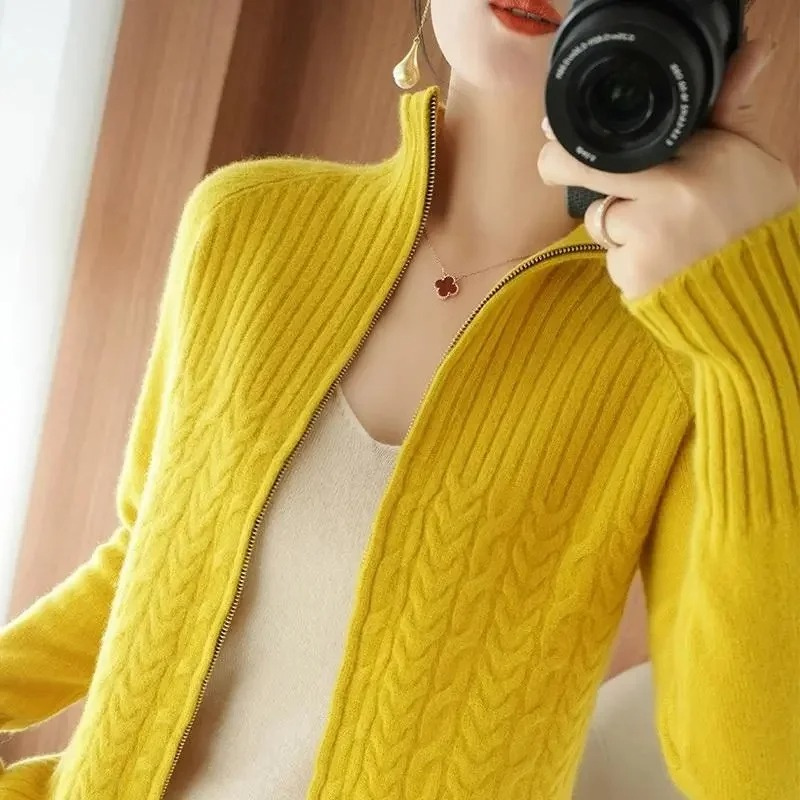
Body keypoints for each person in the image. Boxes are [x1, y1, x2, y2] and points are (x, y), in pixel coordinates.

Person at [1, 0, 798, 798]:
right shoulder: (246, 223)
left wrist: (762, 346)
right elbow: (146, 563)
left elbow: (748, 773)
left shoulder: (684, 350)